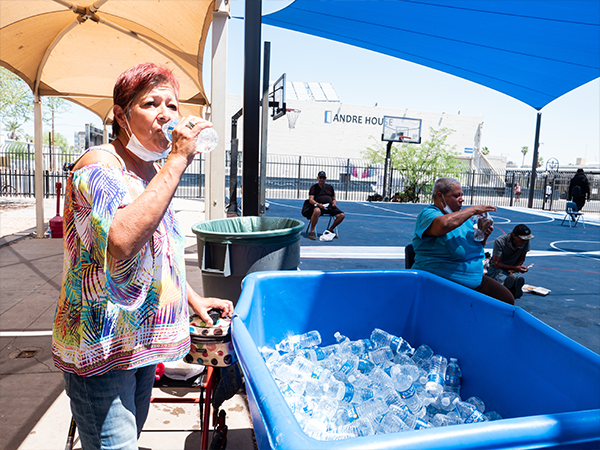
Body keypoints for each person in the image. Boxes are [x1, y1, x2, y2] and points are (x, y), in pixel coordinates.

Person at [52, 62, 235, 450]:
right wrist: (179, 159)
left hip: (140, 345)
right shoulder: (101, 166)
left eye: (171, 104)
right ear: (121, 114)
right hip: (103, 349)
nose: (166, 114)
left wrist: (193, 299)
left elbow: (159, 252)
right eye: (151, 104)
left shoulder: (151, 171)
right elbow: (122, 242)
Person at [412, 177, 514, 305]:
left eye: (462, 195)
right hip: (439, 279)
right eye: (457, 195)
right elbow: (443, 225)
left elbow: (476, 248)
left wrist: (483, 234)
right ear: (440, 196)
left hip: (473, 278)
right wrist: (473, 210)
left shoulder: (463, 220)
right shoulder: (429, 214)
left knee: (506, 300)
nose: (462, 199)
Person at [487, 224, 534, 299]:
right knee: (500, 277)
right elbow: (497, 264)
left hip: (513, 269)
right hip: (498, 268)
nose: (524, 242)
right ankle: (508, 287)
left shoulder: (525, 242)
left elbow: (521, 259)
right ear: (513, 236)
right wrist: (515, 268)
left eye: (526, 240)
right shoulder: (500, 241)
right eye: (522, 239)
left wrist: (514, 269)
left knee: (513, 277)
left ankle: (511, 286)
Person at [306, 171, 345, 240]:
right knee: (316, 211)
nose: (322, 179)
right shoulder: (313, 187)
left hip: (329, 206)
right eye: (320, 177)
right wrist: (317, 204)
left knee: (341, 215)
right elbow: (311, 199)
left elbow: (334, 198)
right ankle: (312, 231)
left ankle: (330, 230)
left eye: (323, 178)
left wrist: (334, 203)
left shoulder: (330, 187)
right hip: (319, 205)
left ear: (326, 178)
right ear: (317, 178)